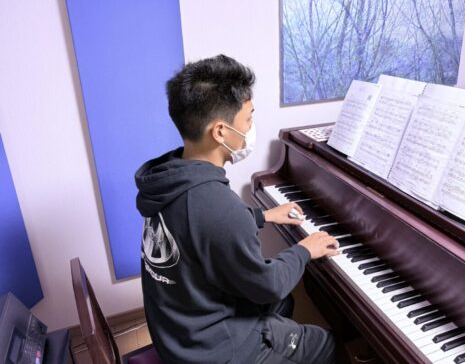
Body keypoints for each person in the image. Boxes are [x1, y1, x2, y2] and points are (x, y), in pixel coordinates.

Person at [135, 54, 349, 364]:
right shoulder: (219, 207)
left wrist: (262, 215)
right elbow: (269, 286)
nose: (251, 127)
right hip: (211, 352)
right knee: (327, 344)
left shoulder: (168, 179)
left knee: (284, 305)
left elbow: (200, 230)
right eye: (248, 119)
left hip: (177, 332)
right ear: (220, 132)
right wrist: (305, 250)